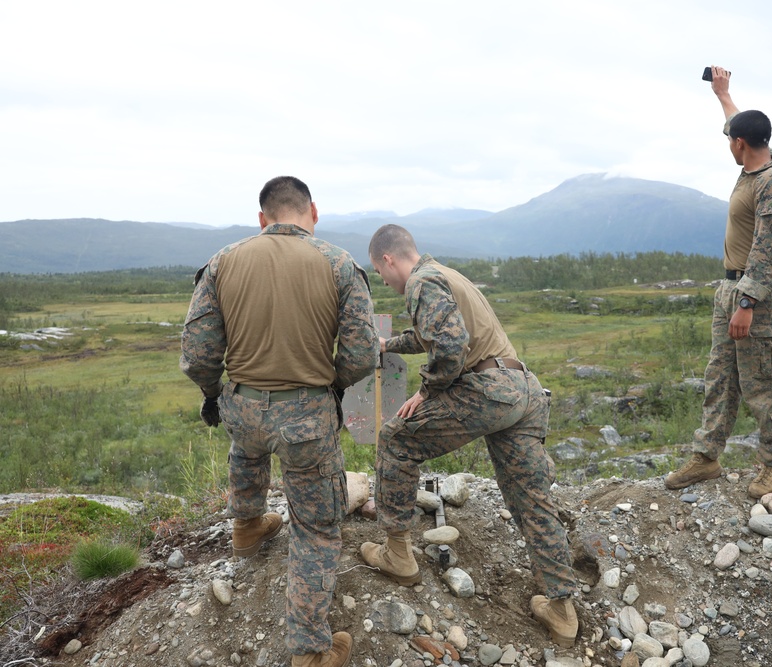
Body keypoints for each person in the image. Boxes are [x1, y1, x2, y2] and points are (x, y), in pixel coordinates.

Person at [180, 176, 379, 667]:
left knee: (246, 445)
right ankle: (310, 651)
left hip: (243, 406)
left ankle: (246, 526)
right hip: (308, 418)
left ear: (262, 218)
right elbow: (360, 353)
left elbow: (198, 353)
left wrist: (214, 395)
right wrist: (332, 388)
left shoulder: (223, 261)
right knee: (314, 530)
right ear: (313, 212)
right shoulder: (339, 264)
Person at [361, 223, 579, 648]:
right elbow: (435, 334)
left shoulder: (420, 283)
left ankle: (397, 554)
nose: (384, 282)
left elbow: (451, 346)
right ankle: (561, 609)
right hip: (522, 390)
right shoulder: (445, 274)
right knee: (529, 498)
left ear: (388, 259)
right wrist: (389, 345)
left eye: (379, 271)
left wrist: (426, 390)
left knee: (395, 439)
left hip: (486, 391)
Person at [664, 66, 772, 499]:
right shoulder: (752, 163)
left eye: (730, 140)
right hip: (731, 291)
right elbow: (738, 122)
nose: (728, 143)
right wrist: (723, 93)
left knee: (763, 382)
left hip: (756, 297)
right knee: (720, 378)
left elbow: (770, 250)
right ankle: (706, 458)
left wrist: (747, 303)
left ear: (742, 144)